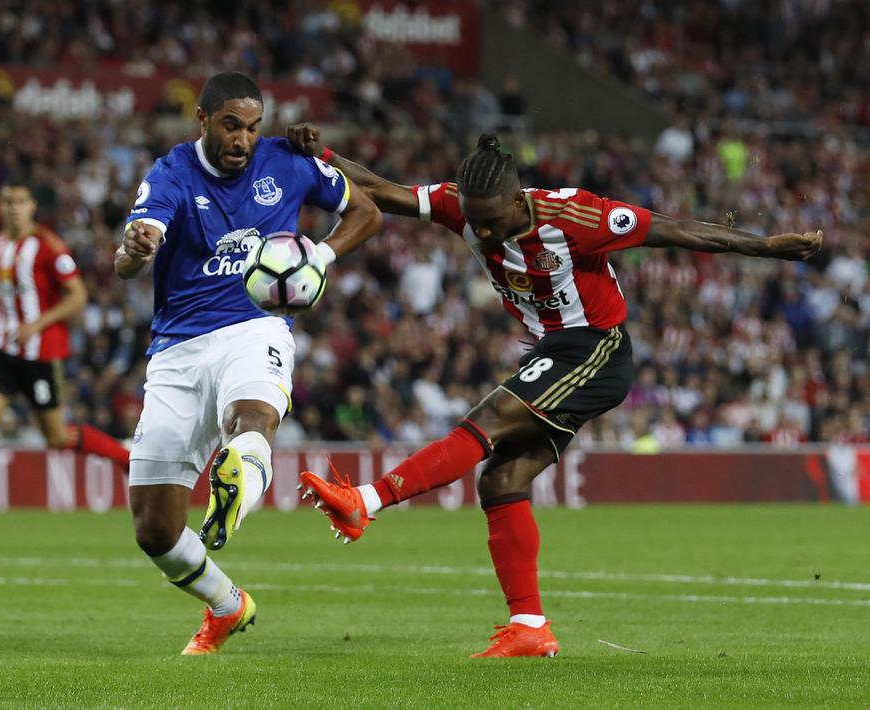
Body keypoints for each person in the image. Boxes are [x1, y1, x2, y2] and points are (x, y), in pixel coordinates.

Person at [288, 126, 822, 658]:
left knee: (490, 418)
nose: (485, 233)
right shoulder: (461, 205)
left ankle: (366, 501)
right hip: (556, 348)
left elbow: (677, 231)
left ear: (518, 202)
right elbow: (383, 191)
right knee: (501, 480)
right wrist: (326, 155)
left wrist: (768, 247)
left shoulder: (577, 217)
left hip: (597, 348)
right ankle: (529, 626)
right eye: (476, 223)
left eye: (494, 222)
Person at [116, 71, 381, 655]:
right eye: (232, 126)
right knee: (154, 530)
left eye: (254, 128)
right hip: (177, 348)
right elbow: (132, 257)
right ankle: (228, 605)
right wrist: (134, 250)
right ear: (204, 120)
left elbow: (366, 211)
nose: (243, 140)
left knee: (252, 418)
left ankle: (233, 495)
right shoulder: (171, 173)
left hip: (256, 323)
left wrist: (319, 256)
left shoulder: (287, 161)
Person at [0, 182, 131, 539]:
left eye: (21, 201)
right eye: (8, 200)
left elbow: (77, 297)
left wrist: (38, 324)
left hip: (41, 354)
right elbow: (6, 291)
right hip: (2, 350)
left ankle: (125, 460)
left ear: (32, 206)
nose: (13, 207)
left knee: (57, 437)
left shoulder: (49, 247)